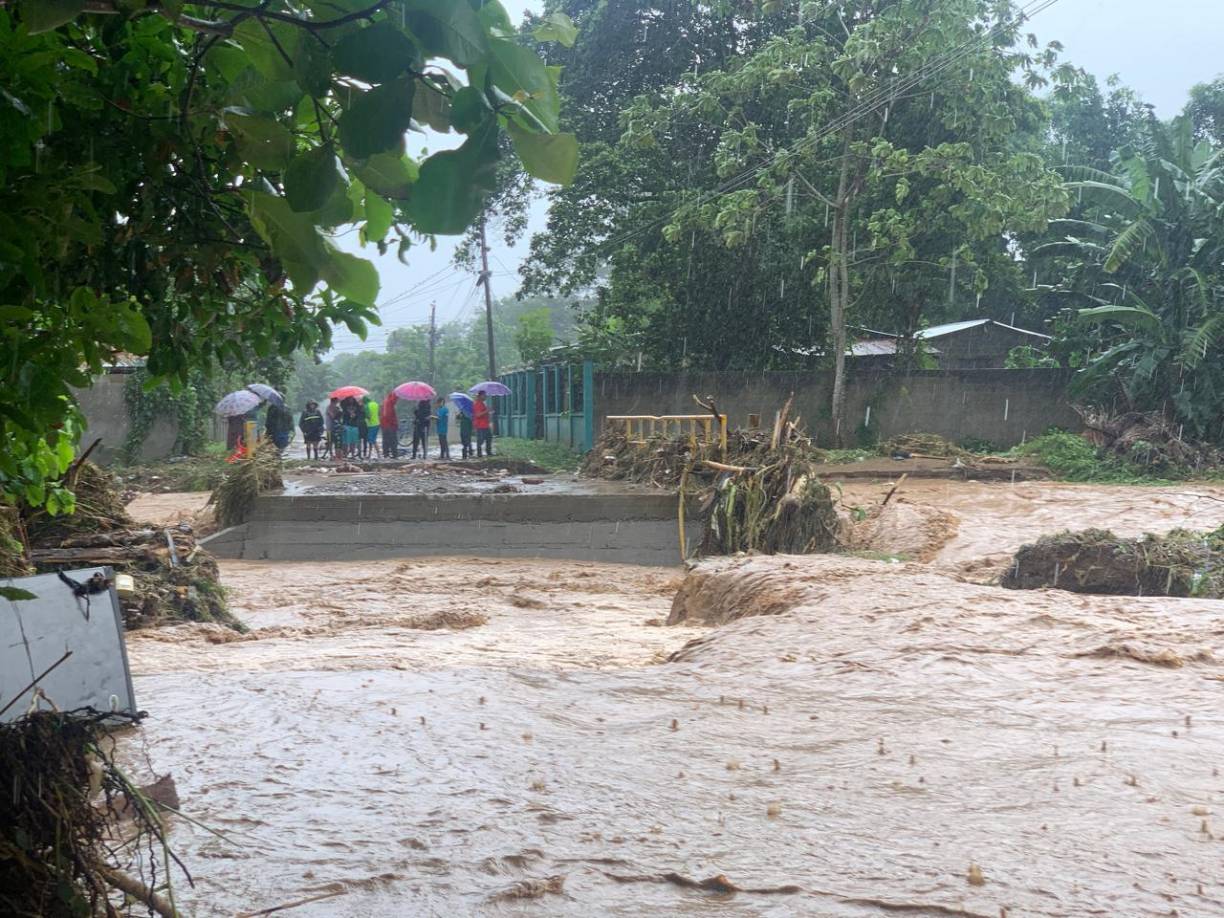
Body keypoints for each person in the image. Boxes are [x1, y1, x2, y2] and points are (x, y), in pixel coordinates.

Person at [473, 390, 494, 457]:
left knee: (489, 438)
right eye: (484, 395)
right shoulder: (477, 404)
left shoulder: (482, 404)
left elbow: (484, 413)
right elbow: (478, 415)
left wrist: (488, 412)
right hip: (480, 425)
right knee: (480, 440)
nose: (485, 396)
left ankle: (488, 452)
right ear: (480, 396)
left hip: (485, 425)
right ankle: (479, 453)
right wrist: (486, 411)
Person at [379, 392, 399, 459]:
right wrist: (394, 423)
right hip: (389, 425)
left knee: (386, 440)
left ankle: (386, 454)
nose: (397, 401)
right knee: (393, 440)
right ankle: (394, 454)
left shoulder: (386, 401)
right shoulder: (389, 403)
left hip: (384, 425)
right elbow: (387, 415)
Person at [363, 395, 381, 459]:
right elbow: (379, 413)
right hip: (377, 423)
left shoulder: (366, 406)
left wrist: (364, 417)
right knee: (371, 440)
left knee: (372, 440)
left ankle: (378, 454)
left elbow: (368, 416)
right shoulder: (375, 404)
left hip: (371, 425)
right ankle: (370, 454)